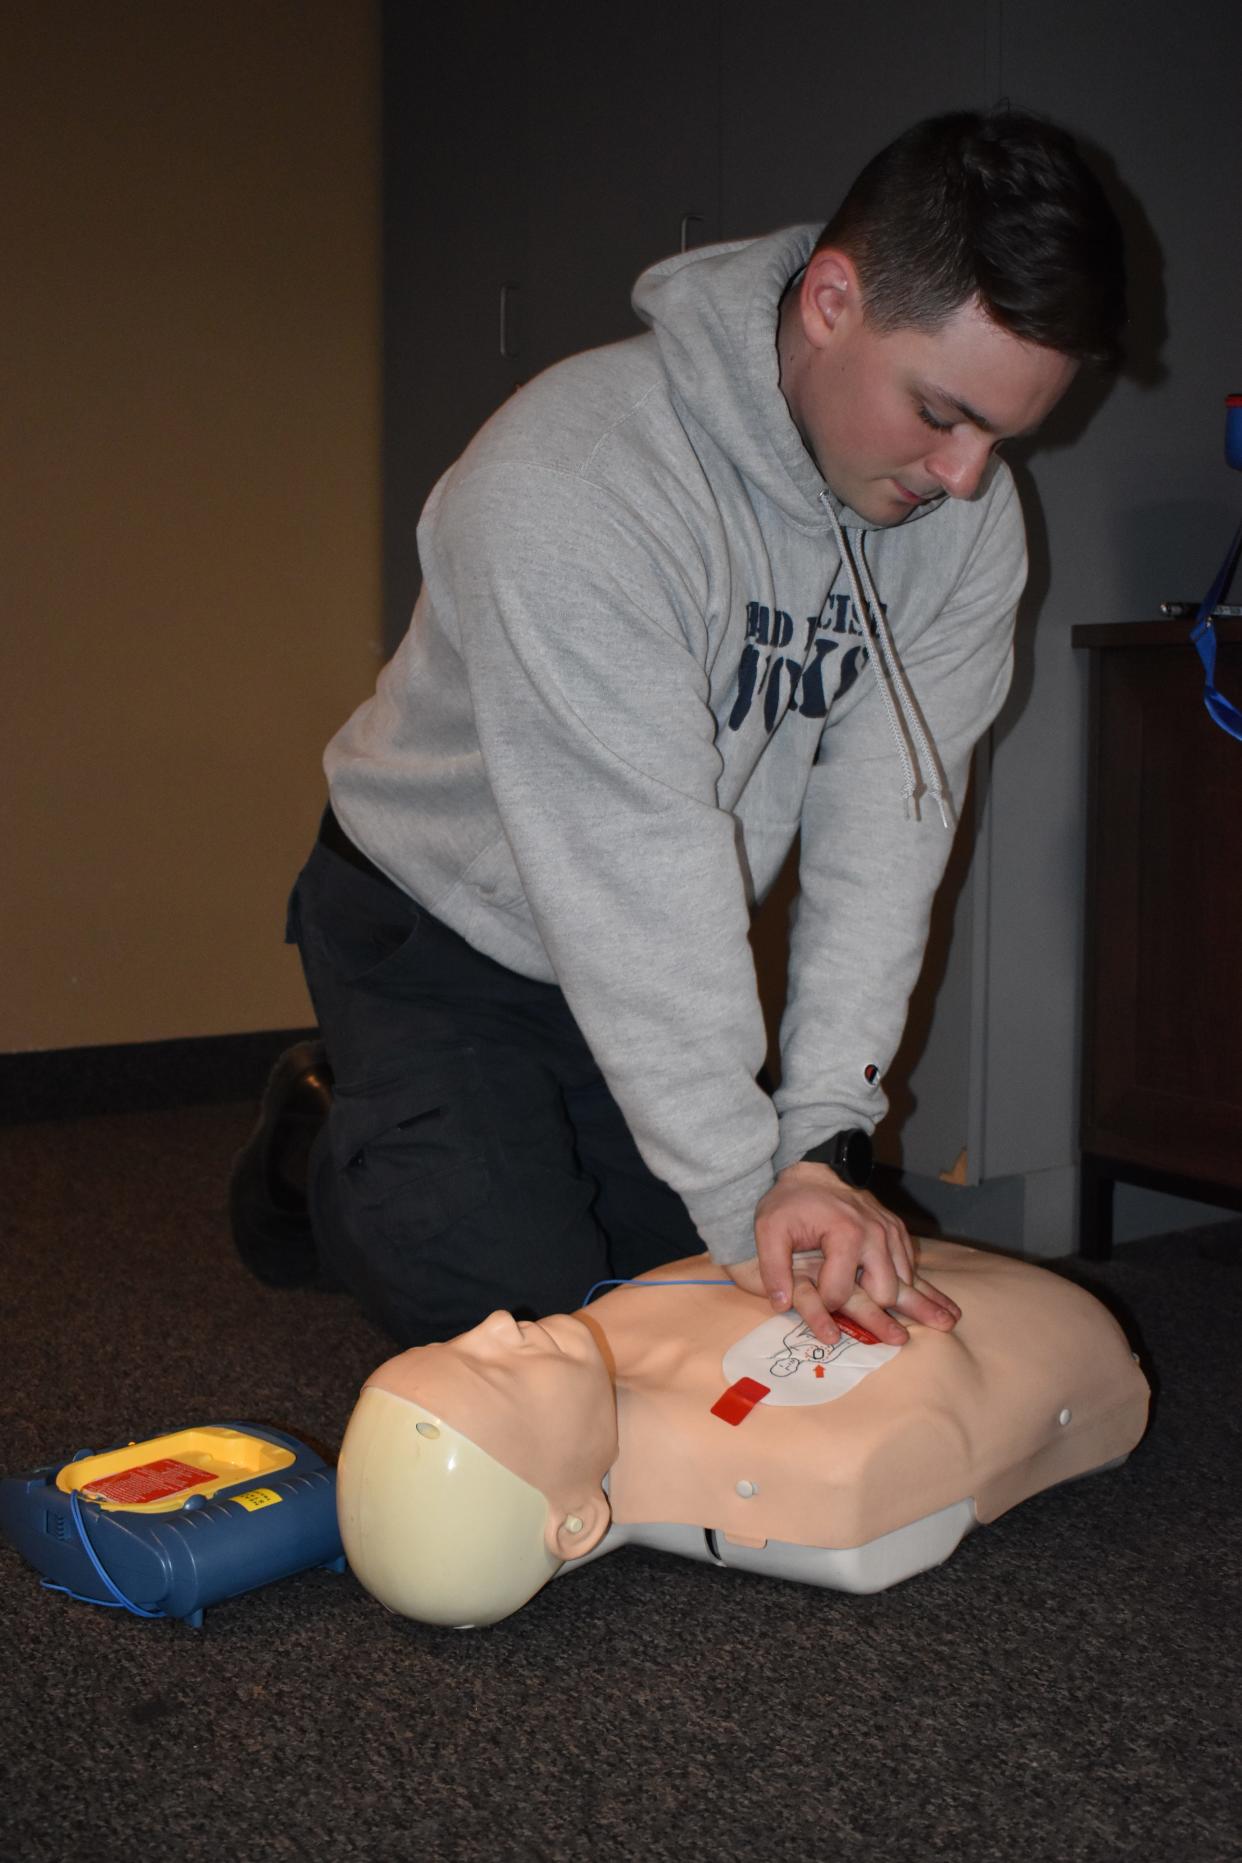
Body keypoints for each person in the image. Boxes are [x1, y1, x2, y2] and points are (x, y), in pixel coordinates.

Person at [230, 108, 1126, 1348]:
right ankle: (330, 1139)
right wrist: (745, 1186)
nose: (966, 476)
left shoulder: (965, 525)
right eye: (940, 411)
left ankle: (445, 1154)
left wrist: (822, 1141)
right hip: (432, 929)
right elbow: (635, 862)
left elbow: (888, 836)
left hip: (635, 952)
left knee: (689, 1311)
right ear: (830, 300)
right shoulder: (575, 481)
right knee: (554, 1342)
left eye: (1003, 437)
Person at [336, 1243, 1151, 1627]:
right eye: (494, 1370)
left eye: (457, 1343)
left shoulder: (604, 1337)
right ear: (577, 1521)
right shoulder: (818, 1460)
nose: (495, 1324)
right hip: (1028, 1320)